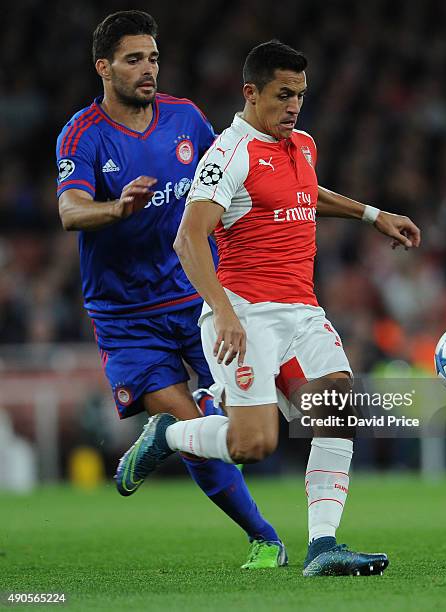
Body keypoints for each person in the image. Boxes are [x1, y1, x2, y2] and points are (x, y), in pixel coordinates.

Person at [118, 40, 421, 576]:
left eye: (301, 94)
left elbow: (305, 194)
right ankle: (166, 434)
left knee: (338, 409)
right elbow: (189, 240)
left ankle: (323, 545)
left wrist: (373, 214)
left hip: (301, 310)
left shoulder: (302, 144)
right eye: (284, 95)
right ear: (251, 93)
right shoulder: (227, 155)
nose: (294, 106)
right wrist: (225, 313)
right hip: (245, 312)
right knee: (253, 444)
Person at [55, 12, 286, 570]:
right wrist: (117, 207)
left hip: (198, 300)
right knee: (191, 430)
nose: (148, 69)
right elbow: (69, 210)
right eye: (134, 59)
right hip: (127, 316)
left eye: (153, 57)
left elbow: (229, 181)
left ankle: (169, 435)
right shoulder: (82, 134)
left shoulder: (185, 120)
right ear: (103, 67)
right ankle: (265, 539)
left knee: (242, 427)